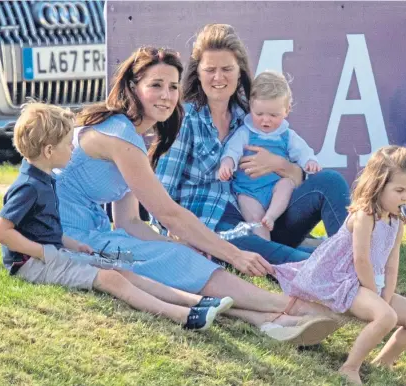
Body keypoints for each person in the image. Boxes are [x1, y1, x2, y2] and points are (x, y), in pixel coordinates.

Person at [53, 45, 341, 344]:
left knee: (175, 256)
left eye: (173, 87)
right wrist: (233, 254)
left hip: (94, 236)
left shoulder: (129, 135)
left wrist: (175, 244)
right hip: (71, 240)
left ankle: (269, 321)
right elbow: (168, 214)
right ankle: (289, 307)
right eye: (155, 85)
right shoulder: (120, 138)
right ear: (132, 87)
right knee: (176, 257)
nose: (166, 95)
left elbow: (129, 222)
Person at [0, 102, 236, 331]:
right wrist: (43, 253)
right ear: (48, 151)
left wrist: (69, 243)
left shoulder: (47, 180)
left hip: (52, 253)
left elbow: (38, 227)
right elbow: (0, 231)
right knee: (110, 279)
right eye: (68, 144)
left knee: (121, 269)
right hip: (30, 265)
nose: (73, 147)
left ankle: (197, 303)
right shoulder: (28, 187)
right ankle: (185, 317)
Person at [155, 24, 350, 265]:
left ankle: (352, 255)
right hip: (217, 227)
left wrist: (280, 165)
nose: (218, 77)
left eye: (227, 69)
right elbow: (160, 195)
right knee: (296, 260)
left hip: (268, 217)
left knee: (331, 182)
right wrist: (179, 239)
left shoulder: (252, 116)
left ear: (239, 73)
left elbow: (296, 179)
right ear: (198, 73)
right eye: (210, 70)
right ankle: (341, 265)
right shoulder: (185, 121)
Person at [273, 146, 406, 384]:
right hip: (346, 279)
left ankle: (383, 361)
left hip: (373, 282)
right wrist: (375, 297)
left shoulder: (397, 221)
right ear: (378, 186)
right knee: (385, 318)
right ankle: (349, 367)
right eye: (399, 190)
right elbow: (360, 259)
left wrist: (386, 296)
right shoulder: (365, 215)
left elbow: (392, 264)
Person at [219, 71, 321, 240]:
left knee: (287, 184)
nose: (265, 120)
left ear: (287, 110)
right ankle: (266, 245)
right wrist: (227, 163)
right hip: (249, 191)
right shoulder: (245, 133)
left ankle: (272, 216)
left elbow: (302, 151)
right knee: (256, 219)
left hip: (274, 189)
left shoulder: (287, 135)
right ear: (251, 106)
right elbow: (232, 150)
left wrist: (310, 161)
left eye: (273, 115)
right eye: (259, 114)